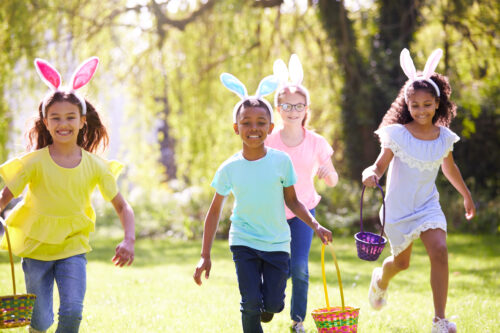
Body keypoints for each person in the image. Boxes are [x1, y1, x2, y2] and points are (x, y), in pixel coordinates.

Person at [0, 57, 135, 333]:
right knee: (40, 321)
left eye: (71, 117)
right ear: (46, 123)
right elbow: (5, 196)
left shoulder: (95, 166)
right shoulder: (34, 163)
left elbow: (122, 207)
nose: (64, 123)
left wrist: (129, 239)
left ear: (83, 121)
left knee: (72, 311)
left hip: (73, 246)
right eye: (56, 118)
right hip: (36, 248)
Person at [193, 72, 332, 333]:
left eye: (260, 122)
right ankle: (255, 310)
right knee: (250, 303)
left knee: (273, 304)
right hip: (243, 240)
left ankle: (268, 307)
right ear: (237, 128)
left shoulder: (281, 162)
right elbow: (213, 213)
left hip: (277, 243)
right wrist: (205, 255)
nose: (253, 128)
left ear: (270, 128)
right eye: (246, 123)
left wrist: (315, 225)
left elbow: (293, 201)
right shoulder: (229, 168)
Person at [362, 48, 475, 333]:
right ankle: (380, 280)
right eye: (415, 105)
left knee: (439, 250)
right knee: (401, 263)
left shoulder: (444, 137)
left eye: (427, 104)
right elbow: (380, 165)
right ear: (406, 104)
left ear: (438, 104)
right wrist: (370, 173)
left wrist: (466, 195)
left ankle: (439, 320)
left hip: (427, 205)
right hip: (398, 209)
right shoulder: (397, 134)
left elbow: (449, 168)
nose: (421, 110)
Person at [265, 54, 338, 333]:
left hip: (304, 213)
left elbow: (333, 177)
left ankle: (297, 320)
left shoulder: (316, 142)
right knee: (277, 266)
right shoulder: (269, 140)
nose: (293, 110)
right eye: (286, 106)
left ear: (306, 108)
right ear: (278, 108)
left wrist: (327, 174)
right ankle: (269, 303)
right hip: (272, 213)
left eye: (298, 106)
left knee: (299, 267)